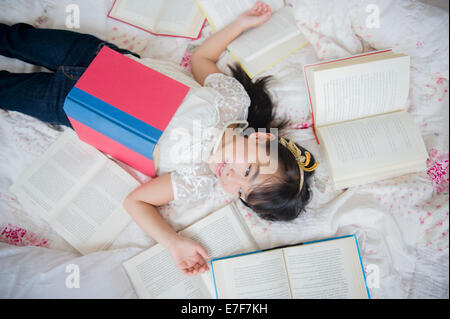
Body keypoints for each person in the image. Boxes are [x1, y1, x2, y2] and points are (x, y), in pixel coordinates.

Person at [0, 2, 318, 276]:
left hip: (77, 107)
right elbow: (201, 60)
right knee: (19, 38)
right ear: (262, 138)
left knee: (8, 91)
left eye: (241, 193)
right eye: (249, 170)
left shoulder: (196, 179)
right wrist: (240, 24)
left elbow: (136, 201)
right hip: (100, 59)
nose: (232, 177)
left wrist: (173, 242)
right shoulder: (233, 103)